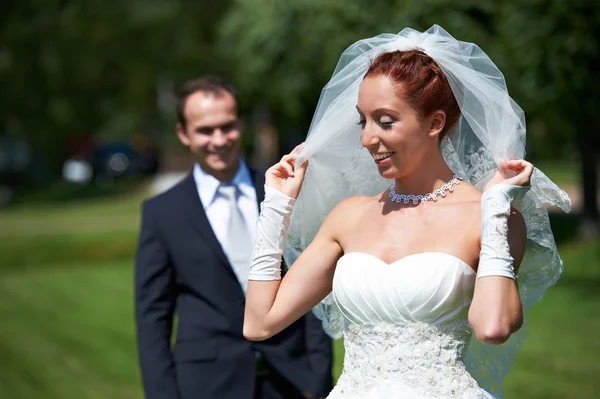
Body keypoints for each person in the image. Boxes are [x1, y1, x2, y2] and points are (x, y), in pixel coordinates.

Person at [242, 26, 571, 398]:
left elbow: (492, 327)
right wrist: (277, 205)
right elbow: (259, 323)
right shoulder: (349, 217)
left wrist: (494, 205)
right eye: (361, 120)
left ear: (435, 123)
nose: (367, 138)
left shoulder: (490, 218)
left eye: (385, 121)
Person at [134, 75, 333, 399]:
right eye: (205, 130)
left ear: (241, 124)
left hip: (294, 380)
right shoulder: (161, 214)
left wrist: (318, 375)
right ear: (183, 134)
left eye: (227, 126)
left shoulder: (284, 190)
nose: (219, 139)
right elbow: (152, 319)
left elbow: (312, 286)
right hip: (207, 385)